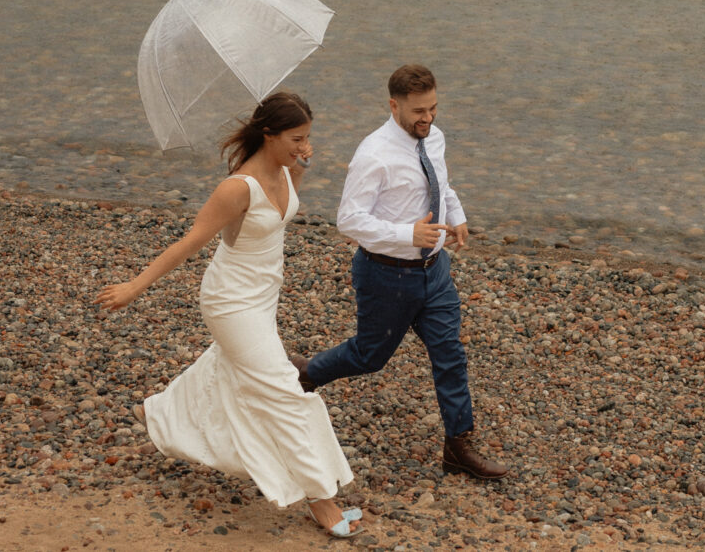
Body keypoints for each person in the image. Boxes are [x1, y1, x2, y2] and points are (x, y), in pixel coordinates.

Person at [94, 92, 362, 537]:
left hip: (263, 296)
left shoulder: (282, 170)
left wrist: (301, 163)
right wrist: (134, 287)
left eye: (308, 137)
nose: (304, 145)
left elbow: (287, 199)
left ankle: (158, 414)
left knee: (230, 369)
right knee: (284, 389)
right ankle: (323, 500)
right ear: (268, 134)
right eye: (297, 138)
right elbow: (191, 241)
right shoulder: (236, 189)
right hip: (231, 302)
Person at [291, 65, 509, 481]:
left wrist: (457, 215)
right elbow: (348, 220)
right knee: (369, 356)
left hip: (435, 270)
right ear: (394, 106)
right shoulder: (373, 154)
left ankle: (458, 447)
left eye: (433, 108)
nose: (427, 118)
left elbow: (441, 184)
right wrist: (408, 233)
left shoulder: (435, 137)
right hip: (386, 275)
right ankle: (306, 373)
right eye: (417, 111)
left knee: (450, 356)